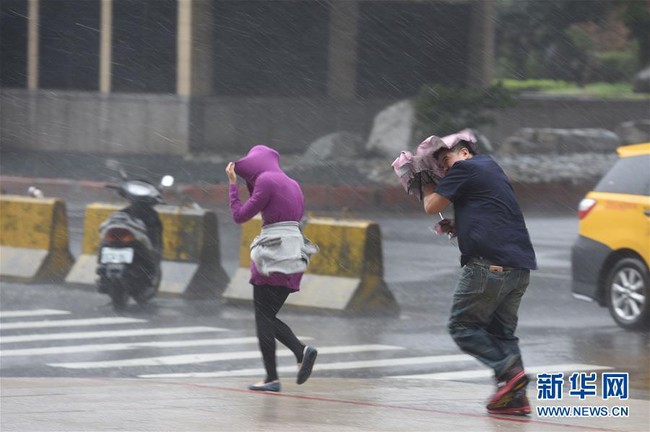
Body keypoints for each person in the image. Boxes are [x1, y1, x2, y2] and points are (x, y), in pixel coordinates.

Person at [418, 130, 537, 416]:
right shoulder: (489, 167)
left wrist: (421, 179)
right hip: (518, 267)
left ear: (464, 151)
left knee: (462, 327)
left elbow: (431, 206)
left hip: (487, 267)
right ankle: (515, 398)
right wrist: (461, 226)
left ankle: (509, 373)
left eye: (445, 160)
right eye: (439, 166)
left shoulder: (465, 168)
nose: (444, 169)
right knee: (502, 334)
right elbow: (491, 210)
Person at [225, 145, 318, 393]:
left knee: (262, 317)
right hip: (295, 254)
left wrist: (233, 185)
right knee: (268, 317)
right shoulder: (292, 183)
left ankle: (277, 373)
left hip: (273, 255)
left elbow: (240, 216)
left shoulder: (265, 180)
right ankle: (294, 358)